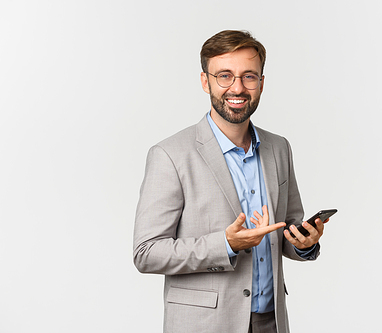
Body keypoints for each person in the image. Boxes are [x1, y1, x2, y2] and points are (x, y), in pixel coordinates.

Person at [133, 30, 328, 333]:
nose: (237, 87)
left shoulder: (279, 148)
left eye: (249, 76)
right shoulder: (169, 155)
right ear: (205, 81)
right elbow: (146, 253)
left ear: (261, 83)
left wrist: (303, 244)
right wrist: (226, 245)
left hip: (271, 321)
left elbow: (286, 229)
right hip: (206, 324)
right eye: (225, 75)